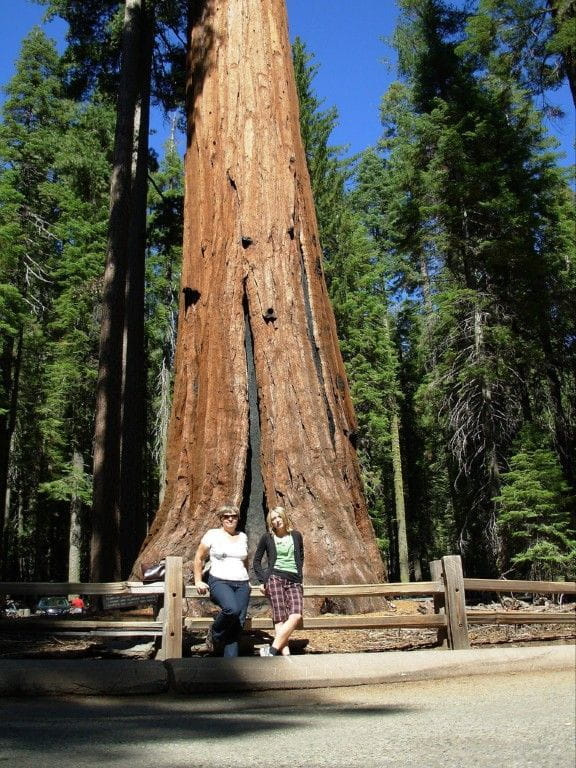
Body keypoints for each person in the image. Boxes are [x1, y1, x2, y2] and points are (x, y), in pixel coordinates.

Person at [193, 504, 251, 657]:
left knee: (238, 623)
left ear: (238, 518)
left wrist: (248, 579)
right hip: (219, 580)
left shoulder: (243, 536)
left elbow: (245, 560)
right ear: (221, 519)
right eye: (226, 516)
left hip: (242, 583)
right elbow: (199, 557)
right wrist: (198, 580)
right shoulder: (212, 534)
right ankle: (215, 633)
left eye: (234, 516)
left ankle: (229, 664)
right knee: (232, 609)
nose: (230, 519)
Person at [253, 506, 304, 656]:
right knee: (279, 616)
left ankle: (272, 650)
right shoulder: (267, 537)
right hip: (275, 578)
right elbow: (256, 561)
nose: (276, 521)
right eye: (273, 519)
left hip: (294, 580)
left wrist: (300, 576)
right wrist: (263, 580)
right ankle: (285, 655)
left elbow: (300, 556)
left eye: (279, 517)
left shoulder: (296, 535)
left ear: (284, 517)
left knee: (296, 616)